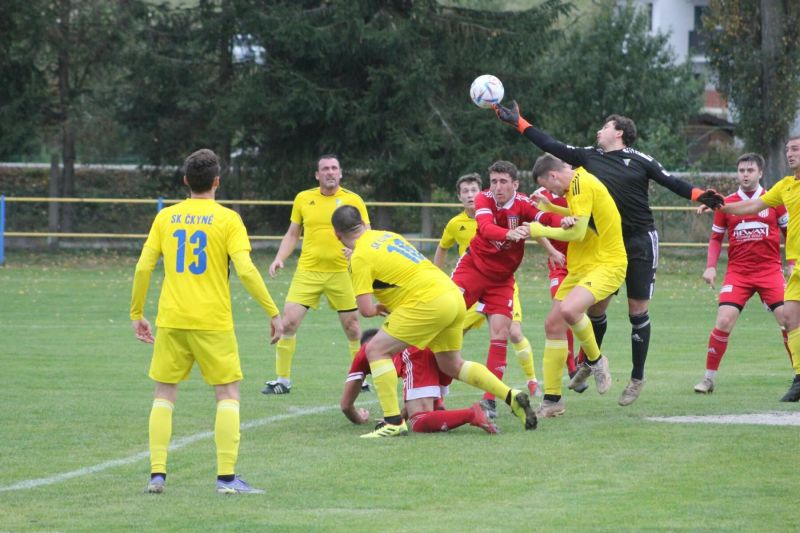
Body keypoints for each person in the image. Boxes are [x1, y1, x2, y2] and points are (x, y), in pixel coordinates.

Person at [495, 102, 725, 406]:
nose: (598, 130)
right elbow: (550, 146)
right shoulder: (588, 157)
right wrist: (520, 123)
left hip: (639, 240)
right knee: (593, 310)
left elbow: (672, 182)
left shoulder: (639, 159)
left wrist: (699, 195)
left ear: (619, 132)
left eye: (604, 126)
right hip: (602, 245)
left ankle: (636, 378)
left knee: (636, 312)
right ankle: (592, 363)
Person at [130, 149, 283, 495]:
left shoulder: (166, 217)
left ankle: (157, 474)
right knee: (227, 393)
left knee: (164, 393)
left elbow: (142, 267)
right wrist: (272, 311)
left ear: (186, 181)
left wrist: (137, 314)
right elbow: (244, 269)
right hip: (213, 321)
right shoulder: (228, 220)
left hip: (171, 319)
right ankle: (227, 479)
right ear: (217, 181)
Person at [331, 205, 538, 437]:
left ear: (337, 235)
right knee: (452, 364)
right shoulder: (388, 235)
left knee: (376, 350)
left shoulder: (359, 256)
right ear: (364, 223)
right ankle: (511, 395)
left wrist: (380, 306)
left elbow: (366, 310)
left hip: (428, 302)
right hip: (453, 295)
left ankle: (392, 421)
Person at [449, 161, 565, 419]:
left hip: (502, 280)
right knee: (444, 317)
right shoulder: (483, 199)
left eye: (503, 182)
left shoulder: (523, 203)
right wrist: (509, 234)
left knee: (501, 334)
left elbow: (543, 218)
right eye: (494, 181)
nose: (497, 187)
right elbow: (487, 229)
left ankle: (489, 402)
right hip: (473, 269)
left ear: (515, 184)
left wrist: (564, 220)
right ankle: (429, 382)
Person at [526, 154, 627, 417]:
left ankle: (596, 361)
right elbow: (582, 218)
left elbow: (578, 233)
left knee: (570, 311)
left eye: (549, 187)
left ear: (553, 176)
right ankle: (552, 401)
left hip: (607, 263)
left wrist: (540, 230)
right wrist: (552, 208)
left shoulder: (581, 183)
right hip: (582, 265)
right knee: (553, 325)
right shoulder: (575, 185)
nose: (551, 192)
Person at [262, 154, 370, 395]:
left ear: (340, 173)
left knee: (353, 327)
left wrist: (357, 252)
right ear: (317, 174)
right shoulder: (303, 198)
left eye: (334, 168)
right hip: (308, 272)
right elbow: (292, 233)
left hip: (343, 272)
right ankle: (282, 380)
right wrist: (280, 257)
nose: (330, 172)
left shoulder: (353, 200)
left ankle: (359, 378)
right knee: (288, 322)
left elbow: (367, 233)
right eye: (325, 169)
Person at [433, 172, 542, 399]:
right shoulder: (455, 224)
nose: (470, 195)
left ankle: (531, 381)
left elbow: (535, 228)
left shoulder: (503, 210)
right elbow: (443, 247)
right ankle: (437, 386)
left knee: (512, 331)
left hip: (501, 280)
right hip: (471, 280)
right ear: (459, 196)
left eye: (474, 189)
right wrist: (436, 276)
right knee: (448, 326)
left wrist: (551, 249)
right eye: (465, 191)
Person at [694, 153, 793, 394]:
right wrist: (710, 266)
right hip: (738, 273)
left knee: (789, 321)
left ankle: (798, 376)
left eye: (750, 170)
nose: (745, 174)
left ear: (760, 173)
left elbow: (790, 233)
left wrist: (791, 262)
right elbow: (716, 238)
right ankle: (708, 379)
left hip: (769, 271)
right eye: (741, 170)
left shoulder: (774, 200)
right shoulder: (725, 203)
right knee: (724, 320)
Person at [341, 329, 498, 434]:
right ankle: (439, 408)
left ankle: (473, 413)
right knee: (435, 411)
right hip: (437, 348)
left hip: (418, 354)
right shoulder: (394, 341)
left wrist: (359, 417)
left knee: (419, 421)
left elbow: (346, 406)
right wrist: (398, 416)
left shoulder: (365, 352)